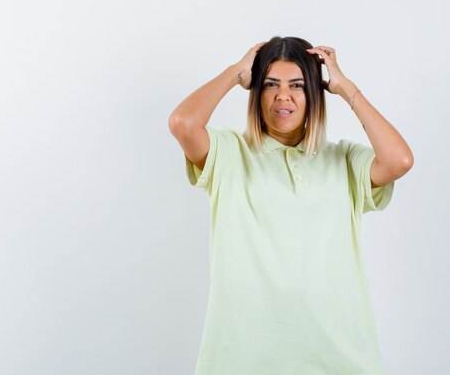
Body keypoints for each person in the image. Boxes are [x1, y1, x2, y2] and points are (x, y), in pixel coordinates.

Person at [168, 36, 414, 375]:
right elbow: (182, 124)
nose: (283, 95)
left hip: (339, 361)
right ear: (256, 93)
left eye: (297, 85)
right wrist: (234, 73)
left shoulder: (344, 159)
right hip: (241, 362)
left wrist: (346, 88)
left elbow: (399, 160)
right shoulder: (230, 153)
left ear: (314, 94)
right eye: (271, 84)